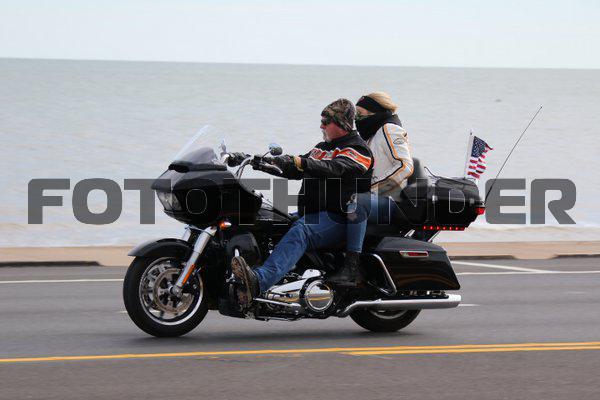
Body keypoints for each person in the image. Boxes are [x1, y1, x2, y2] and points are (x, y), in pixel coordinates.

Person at [229, 99, 373, 305]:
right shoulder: (322, 148)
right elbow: (295, 168)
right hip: (313, 213)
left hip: (340, 217)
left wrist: (301, 162)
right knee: (270, 220)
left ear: (341, 123)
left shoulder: (358, 150)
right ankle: (256, 277)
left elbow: (334, 168)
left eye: (326, 121)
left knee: (301, 231)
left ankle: (259, 281)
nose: (321, 126)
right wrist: (256, 161)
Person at [345, 92, 414, 258]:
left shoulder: (390, 129)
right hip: (376, 199)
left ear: (374, 112)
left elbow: (405, 166)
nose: (356, 119)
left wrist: (373, 190)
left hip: (392, 200)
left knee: (357, 203)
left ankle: (352, 262)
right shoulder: (371, 133)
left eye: (360, 114)